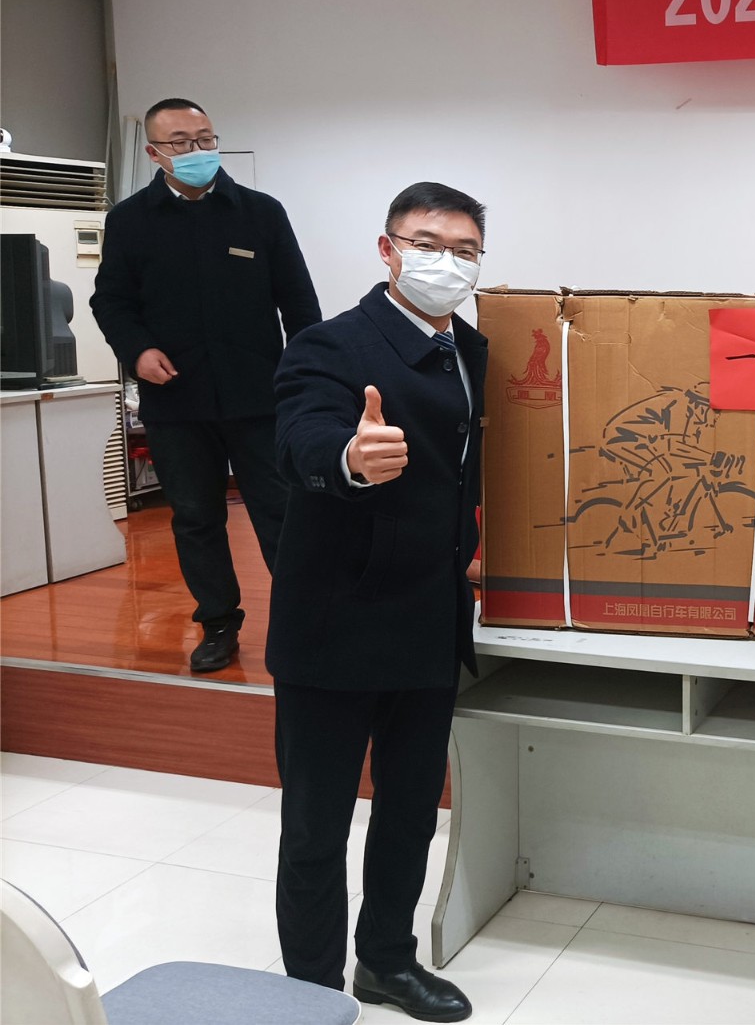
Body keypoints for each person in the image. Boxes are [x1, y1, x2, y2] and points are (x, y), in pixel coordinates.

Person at [269, 182, 488, 1021]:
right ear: (388, 249)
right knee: (316, 824)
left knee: (410, 813)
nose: (446, 263)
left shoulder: (471, 349)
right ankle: (311, 989)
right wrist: (349, 460)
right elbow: (299, 436)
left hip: (428, 619)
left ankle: (387, 962)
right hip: (335, 621)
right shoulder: (331, 345)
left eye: (464, 251)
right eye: (428, 244)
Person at [90, 97, 321, 673]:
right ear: (154, 153)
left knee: (283, 512)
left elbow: (298, 301)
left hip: (261, 396)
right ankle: (218, 623)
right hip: (177, 400)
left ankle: (308, 621)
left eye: (205, 139)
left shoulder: (261, 213)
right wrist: (137, 351)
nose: (197, 150)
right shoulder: (130, 221)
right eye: (181, 143)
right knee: (195, 518)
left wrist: (309, 380)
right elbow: (111, 301)